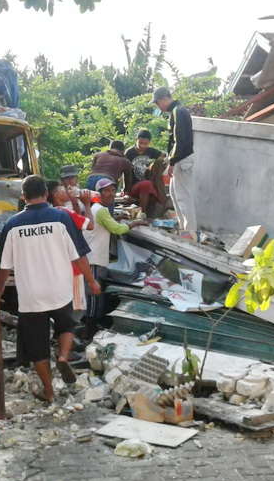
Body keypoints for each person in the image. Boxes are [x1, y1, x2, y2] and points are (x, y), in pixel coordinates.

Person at [0, 175, 101, 403]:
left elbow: (3, 268)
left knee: (37, 346)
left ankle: (49, 391)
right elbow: (79, 255)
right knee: (66, 326)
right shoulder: (61, 218)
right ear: (46, 193)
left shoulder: (12, 225)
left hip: (31, 296)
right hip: (60, 290)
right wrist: (92, 281)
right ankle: (63, 356)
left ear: (23, 196)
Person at [81, 177, 145, 338]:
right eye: (106, 191)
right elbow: (117, 229)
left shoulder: (96, 209)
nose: (110, 194)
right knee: (94, 298)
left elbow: (108, 224)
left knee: (93, 297)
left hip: (91, 258)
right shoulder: (101, 210)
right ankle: (89, 334)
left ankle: (89, 332)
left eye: (112, 190)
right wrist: (134, 223)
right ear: (99, 193)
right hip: (94, 259)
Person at [153, 86, 197, 237]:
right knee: (174, 193)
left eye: (157, 103)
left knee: (183, 197)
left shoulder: (178, 111)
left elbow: (180, 140)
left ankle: (189, 234)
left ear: (164, 99)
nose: (158, 107)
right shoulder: (176, 111)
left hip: (182, 159)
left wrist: (172, 162)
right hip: (180, 158)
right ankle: (183, 229)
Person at [46, 180, 94, 313]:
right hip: (73, 269)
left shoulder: (52, 213)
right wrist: (87, 205)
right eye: (63, 189)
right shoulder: (64, 212)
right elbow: (90, 225)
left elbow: (77, 220)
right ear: (56, 194)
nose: (67, 191)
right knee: (74, 311)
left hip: (55, 270)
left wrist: (75, 202)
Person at [125, 129, 164, 214]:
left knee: (154, 189)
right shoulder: (129, 152)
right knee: (146, 184)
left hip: (148, 182)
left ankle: (150, 214)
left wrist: (153, 164)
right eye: (140, 143)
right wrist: (125, 191)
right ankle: (142, 213)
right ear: (136, 140)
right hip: (134, 186)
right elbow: (125, 172)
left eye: (145, 144)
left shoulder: (151, 151)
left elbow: (163, 156)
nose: (142, 146)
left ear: (149, 143)